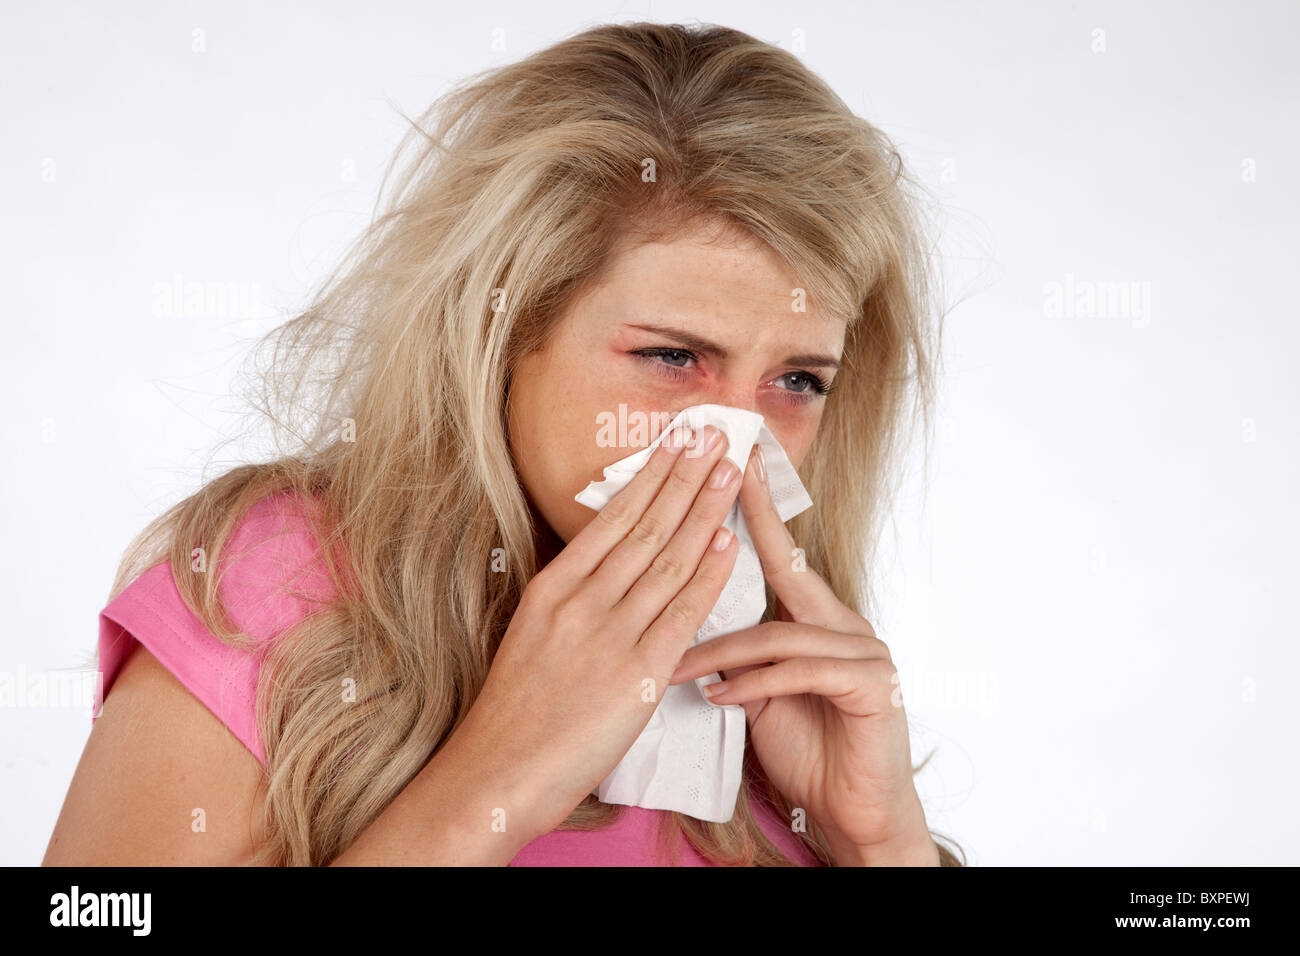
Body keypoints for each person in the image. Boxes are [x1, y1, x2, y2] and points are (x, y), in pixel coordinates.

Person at [43, 21, 964, 866]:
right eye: (673, 356)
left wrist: (882, 842)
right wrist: (498, 777)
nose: (734, 444)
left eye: (796, 381)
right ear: (504, 333)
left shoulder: (786, 711)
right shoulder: (286, 584)